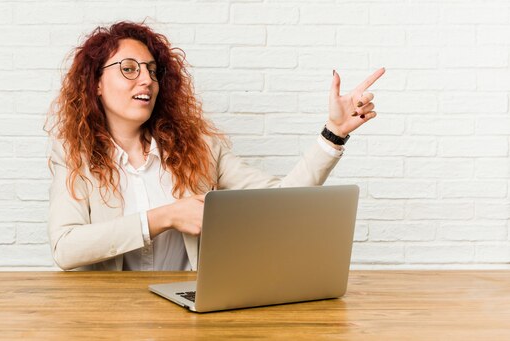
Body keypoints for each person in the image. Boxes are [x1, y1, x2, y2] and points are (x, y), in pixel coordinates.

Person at [46, 21, 385, 271]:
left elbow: (282, 200)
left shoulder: (201, 149)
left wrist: (334, 132)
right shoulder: (73, 155)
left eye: (152, 70)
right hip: (108, 317)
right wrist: (166, 216)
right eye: (129, 69)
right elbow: (66, 248)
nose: (147, 80)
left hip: (187, 308)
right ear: (97, 84)